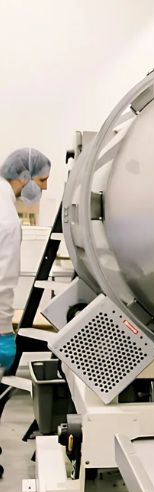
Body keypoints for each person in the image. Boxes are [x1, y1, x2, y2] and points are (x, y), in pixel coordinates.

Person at [0, 148, 50, 374]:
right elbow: (3, 282)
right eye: (42, 179)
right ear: (23, 176)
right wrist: (3, 334)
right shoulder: (7, 221)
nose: (45, 187)